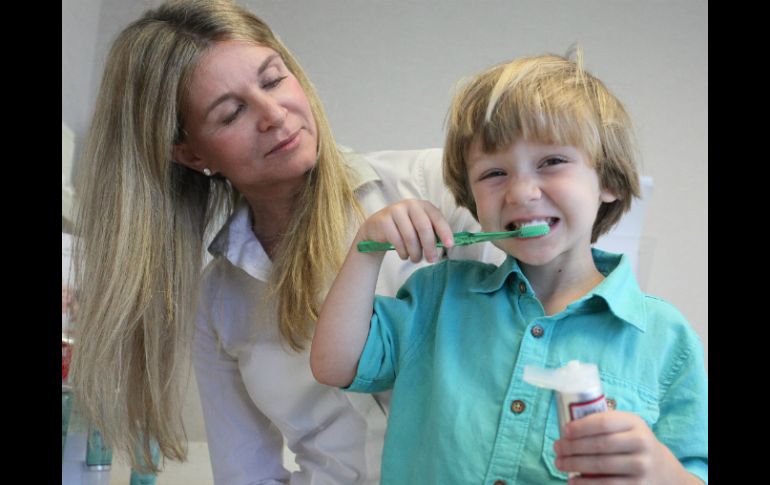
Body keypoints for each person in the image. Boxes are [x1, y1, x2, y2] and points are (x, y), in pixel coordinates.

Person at [68, 0, 503, 482]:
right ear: (190, 154)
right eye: (231, 113)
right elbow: (245, 474)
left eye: (274, 80)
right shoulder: (218, 304)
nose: (274, 114)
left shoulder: (438, 186)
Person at [311, 50, 708, 484]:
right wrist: (367, 249)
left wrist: (662, 474)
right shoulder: (436, 296)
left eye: (552, 162)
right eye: (494, 173)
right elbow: (334, 365)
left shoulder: (667, 340)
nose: (520, 192)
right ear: (470, 198)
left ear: (609, 181)